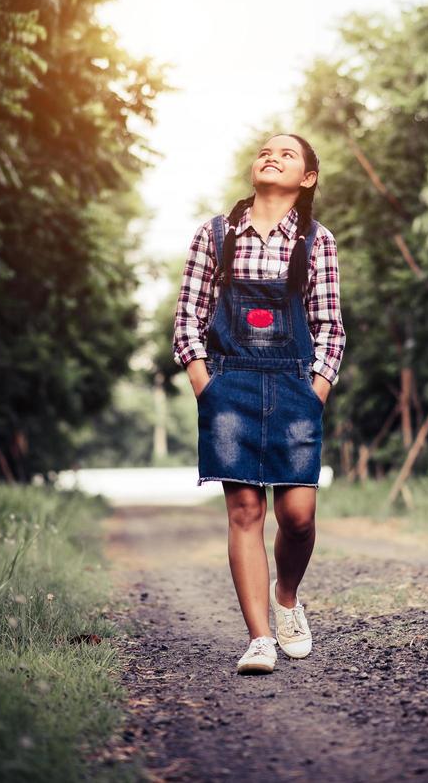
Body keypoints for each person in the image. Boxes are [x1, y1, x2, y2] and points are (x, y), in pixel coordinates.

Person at [172, 133, 346, 674]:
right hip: (231, 386)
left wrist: (314, 393)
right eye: (266, 150)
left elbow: (329, 329)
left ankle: (286, 596)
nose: (273, 155)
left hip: (296, 387)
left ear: (308, 178)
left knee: (297, 516)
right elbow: (188, 322)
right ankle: (260, 640)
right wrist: (208, 386)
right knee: (245, 510)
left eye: (288, 153)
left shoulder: (317, 241)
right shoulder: (215, 234)